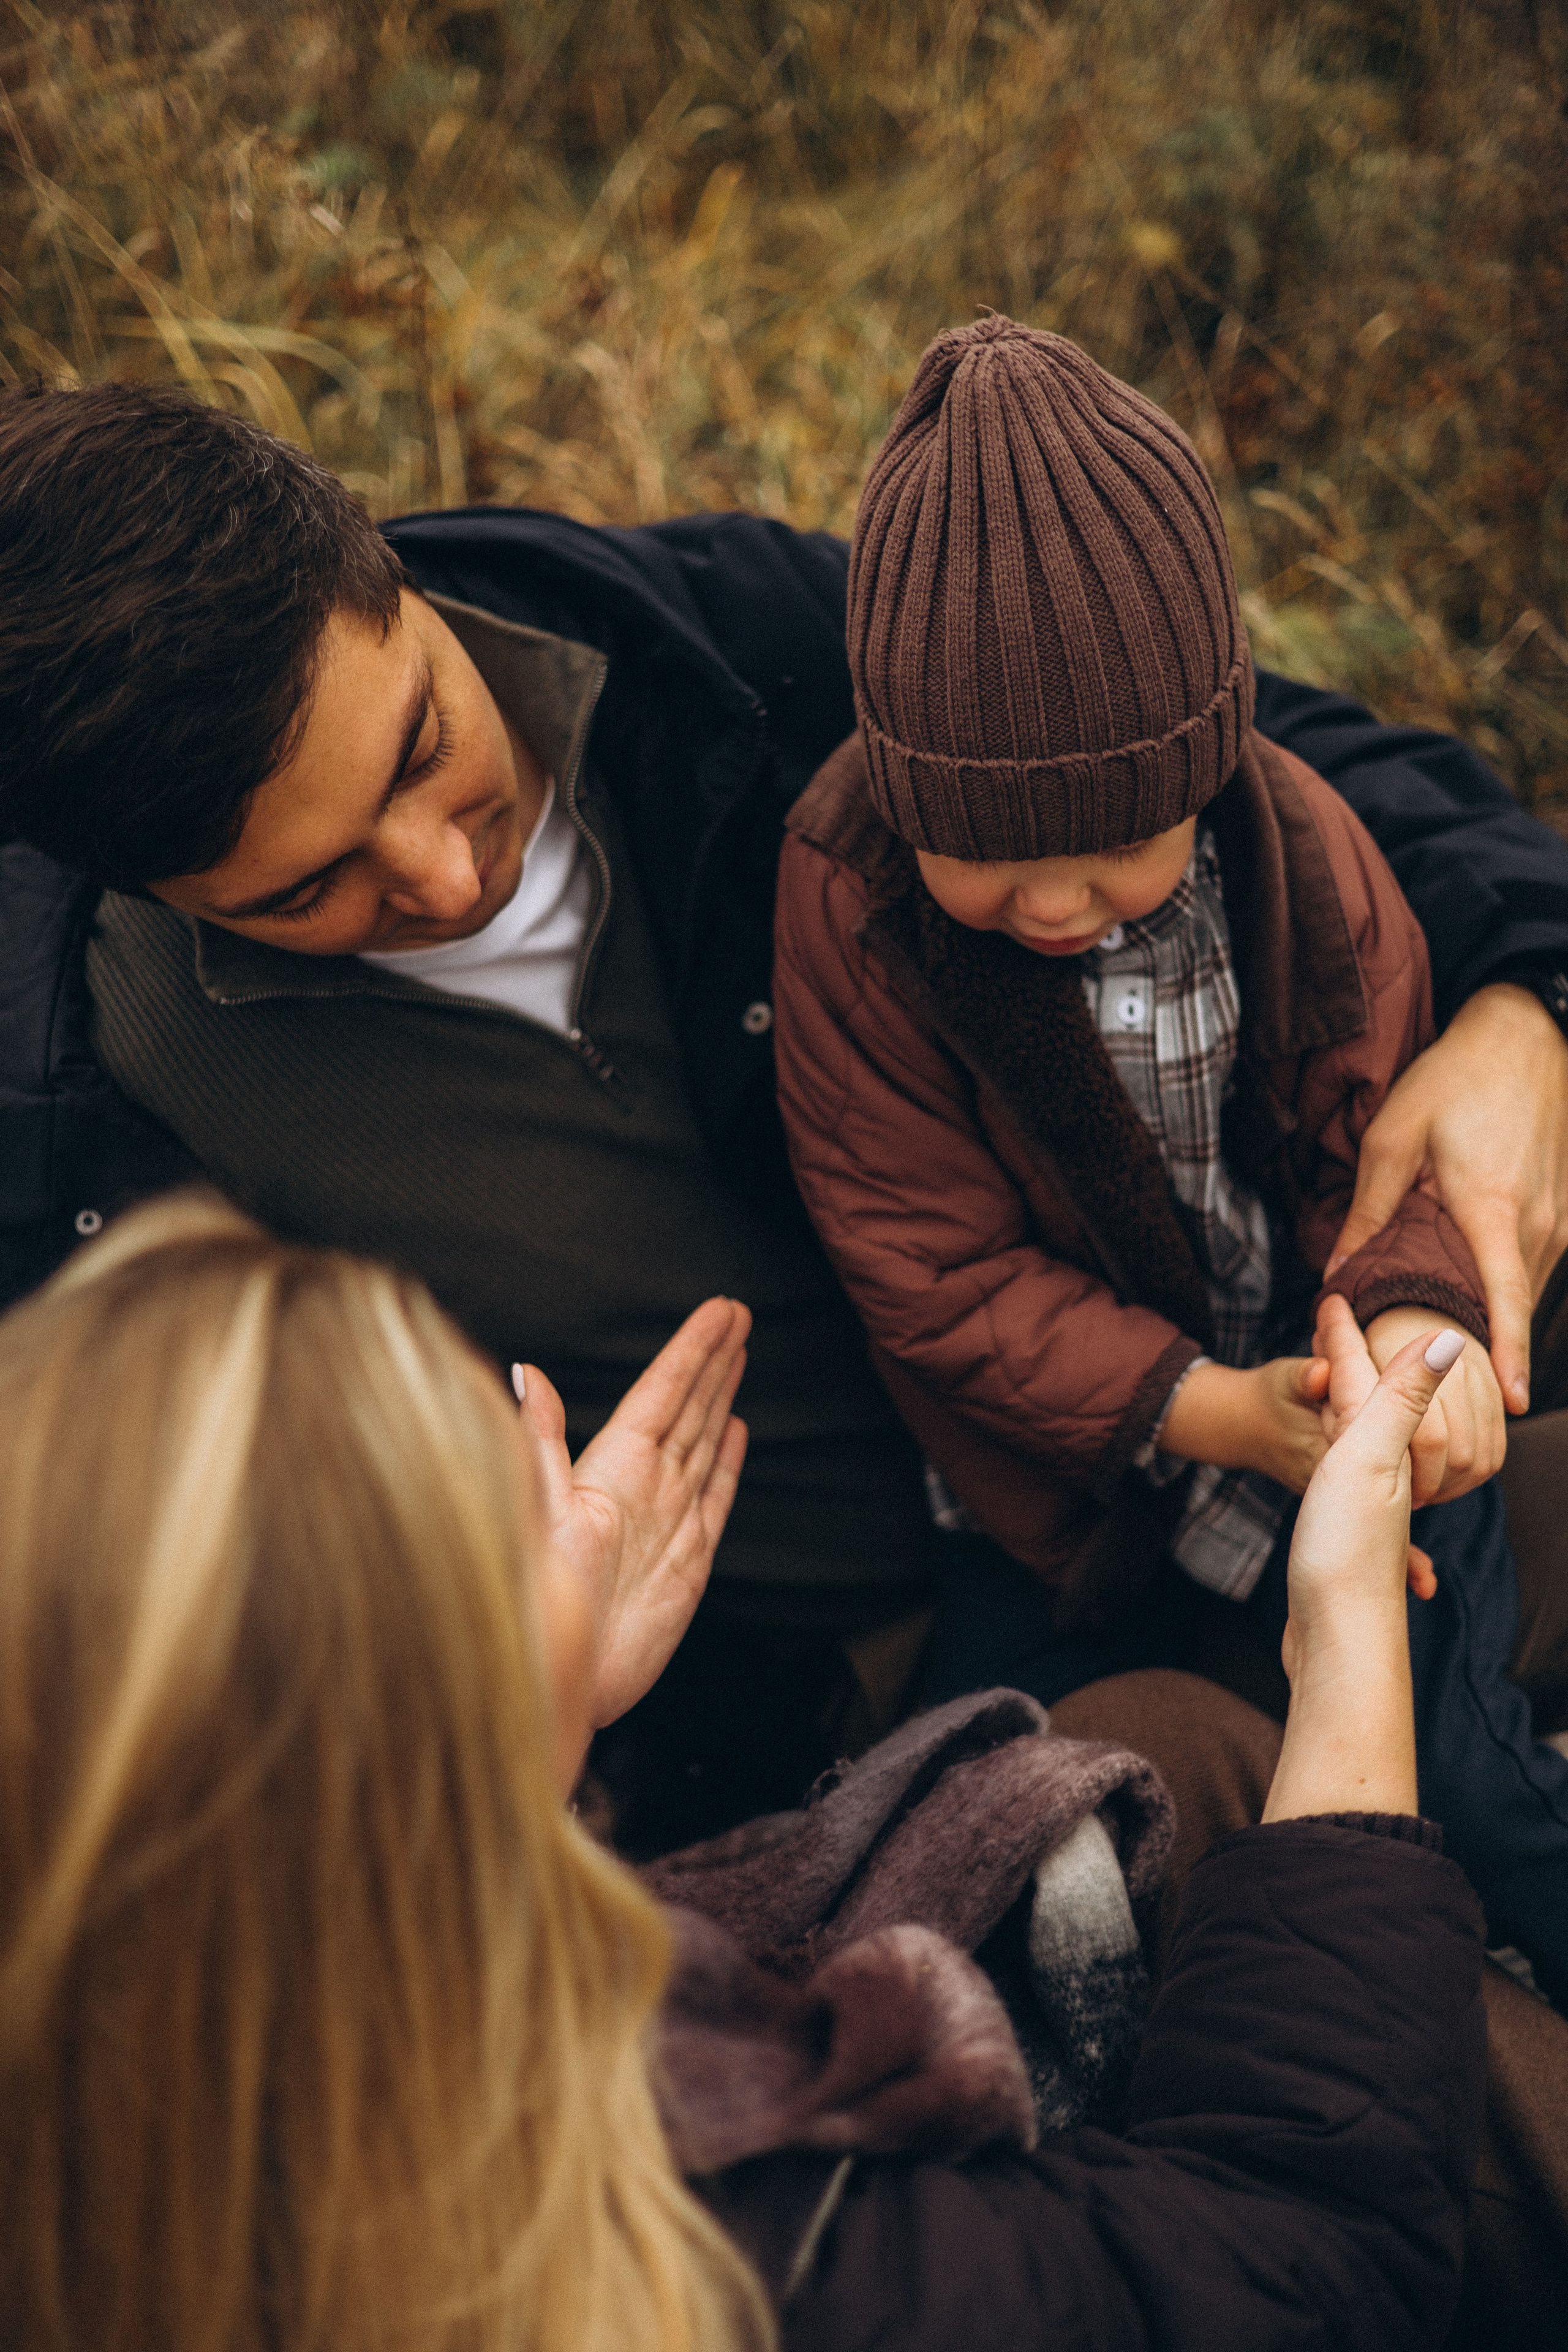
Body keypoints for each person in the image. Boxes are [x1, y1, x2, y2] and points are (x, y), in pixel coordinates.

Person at [2, 381, 1568, 1847]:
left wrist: (1524, 1005)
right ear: (138, 889)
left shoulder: (730, 642)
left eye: (422, 746)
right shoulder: (94, 1121)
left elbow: (1278, 768)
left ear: (383, 565)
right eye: (306, 891)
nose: (442, 872)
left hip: (1246, 1359)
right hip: (887, 1658)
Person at [0, 1191, 1489, 2350]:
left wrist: (532, 1722)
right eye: (503, 1526)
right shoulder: (712, 2252)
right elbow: (1307, 2256)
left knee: (1154, 1728)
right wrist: (1342, 1623)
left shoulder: (130, 2125)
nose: (558, 1512)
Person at [771, 314, 1568, 2003]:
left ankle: (1512, 1931)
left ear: (1204, 768)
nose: (1057, 902)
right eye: (990, 857)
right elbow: (930, 1268)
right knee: (983, 1792)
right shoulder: (852, 903)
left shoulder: (1301, 851)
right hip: (1056, 1471)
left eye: (1118, 844)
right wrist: (1202, 1411)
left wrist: (1410, 1328)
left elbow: (1385, 1137)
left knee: (1463, 1739)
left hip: (1322, 1367)